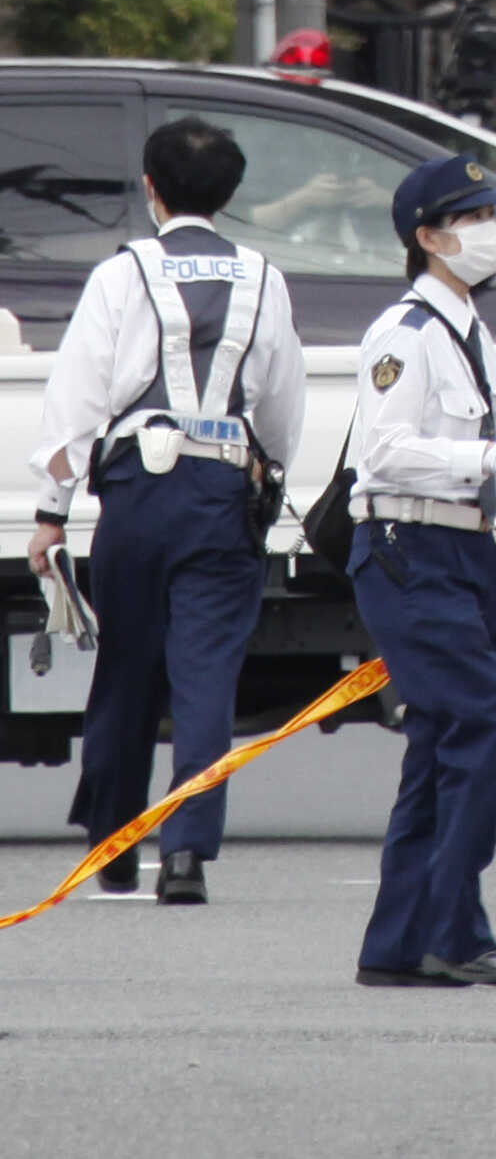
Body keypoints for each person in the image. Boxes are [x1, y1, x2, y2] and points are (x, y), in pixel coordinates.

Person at [25, 119, 306, 903]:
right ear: (230, 194)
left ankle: (114, 841)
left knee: (126, 672)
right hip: (222, 491)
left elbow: (75, 395)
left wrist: (51, 511)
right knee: (207, 676)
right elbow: (282, 402)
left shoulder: (123, 275)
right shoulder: (263, 275)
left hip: (138, 494)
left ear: (151, 189)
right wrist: (269, 476)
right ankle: (186, 852)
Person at [348, 155, 496, 987]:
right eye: (470, 220)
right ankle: (453, 928)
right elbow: (385, 452)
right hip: (409, 550)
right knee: (486, 725)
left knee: (444, 739)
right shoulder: (404, 334)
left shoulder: (467, 328)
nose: (487, 234)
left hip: (464, 547)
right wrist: (488, 452)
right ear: (428, 238)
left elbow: (469, 456)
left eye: (487, 216)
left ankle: (400, 945)